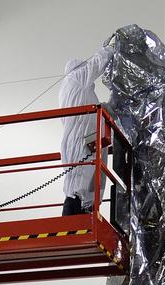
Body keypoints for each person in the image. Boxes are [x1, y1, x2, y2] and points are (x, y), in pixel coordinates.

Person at [58, 46, 114, 217]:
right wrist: (111, 48)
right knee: (77, 185)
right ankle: (71, 218)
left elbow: (101, 110)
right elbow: (96, 63)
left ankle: (86, 211)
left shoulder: (83, 93)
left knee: (89, 181)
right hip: (80, 141)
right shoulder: (75, 78)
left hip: (88, 141)